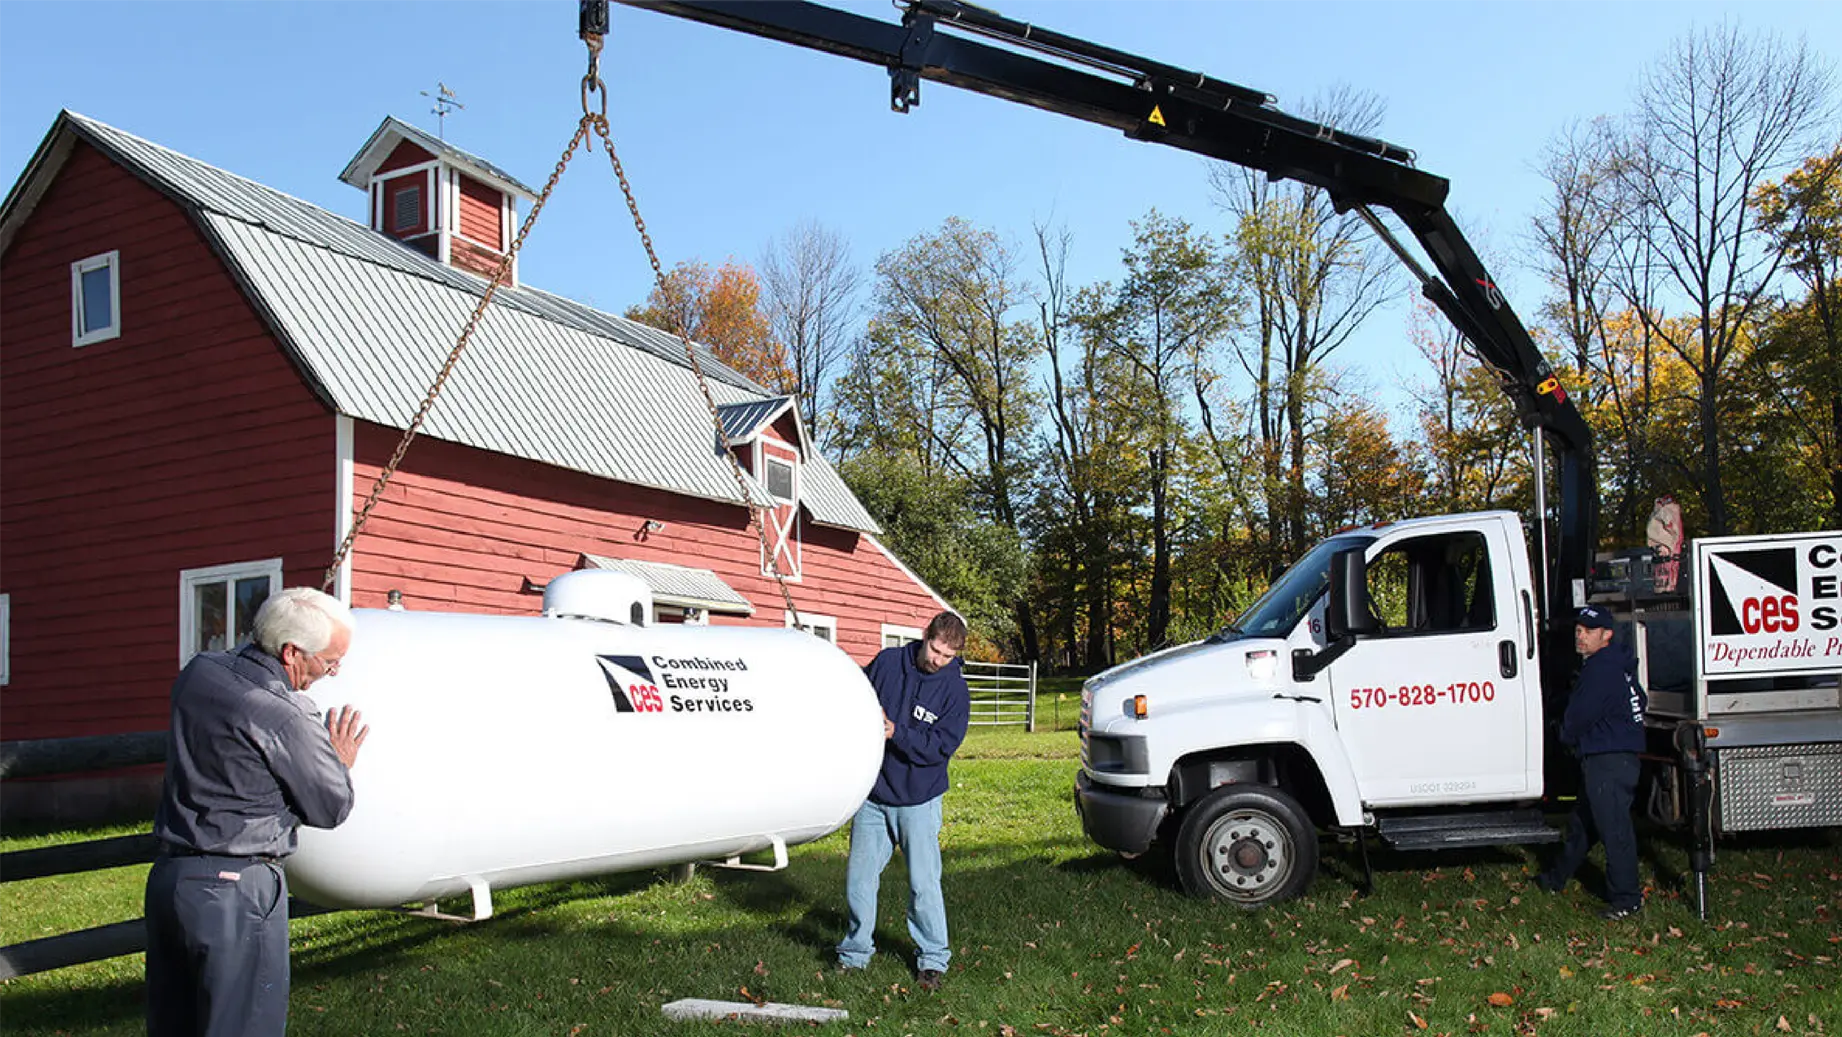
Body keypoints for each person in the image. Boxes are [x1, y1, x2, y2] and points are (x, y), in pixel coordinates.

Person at [145, 587, 370, 1037]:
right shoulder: (283, 713)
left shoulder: (198, 673)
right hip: (236, 891)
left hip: (170, 881)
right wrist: (338, 762)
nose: (332, 672)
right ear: (291, 652)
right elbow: (330, 806)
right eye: (328, 662)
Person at [836, 611, 971, 992]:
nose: (937, 660)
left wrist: (897, 733)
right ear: (924, 635)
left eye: (947, 656)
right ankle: (855, 953)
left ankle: (932, 958)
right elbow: (855, 694)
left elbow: (941, 746)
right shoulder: (888, 662)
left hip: (919, 800)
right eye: (934, 649)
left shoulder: (954, 691)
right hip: (874, 795)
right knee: (860, 880)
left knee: (923, 883)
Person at [1535, 604, 1647, 920]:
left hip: (1607, 761)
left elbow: (1577, 717)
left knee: (1615, 831)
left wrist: (1564, 735)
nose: (1580, 636)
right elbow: (1640, 700)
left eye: (1588, 631)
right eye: (1578, 630)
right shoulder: (1618, 665)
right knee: (1583, 826)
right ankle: (1554, 879)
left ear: (1606, 635)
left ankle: (1627, 900)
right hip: (1613, 757)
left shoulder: (1600, 669)